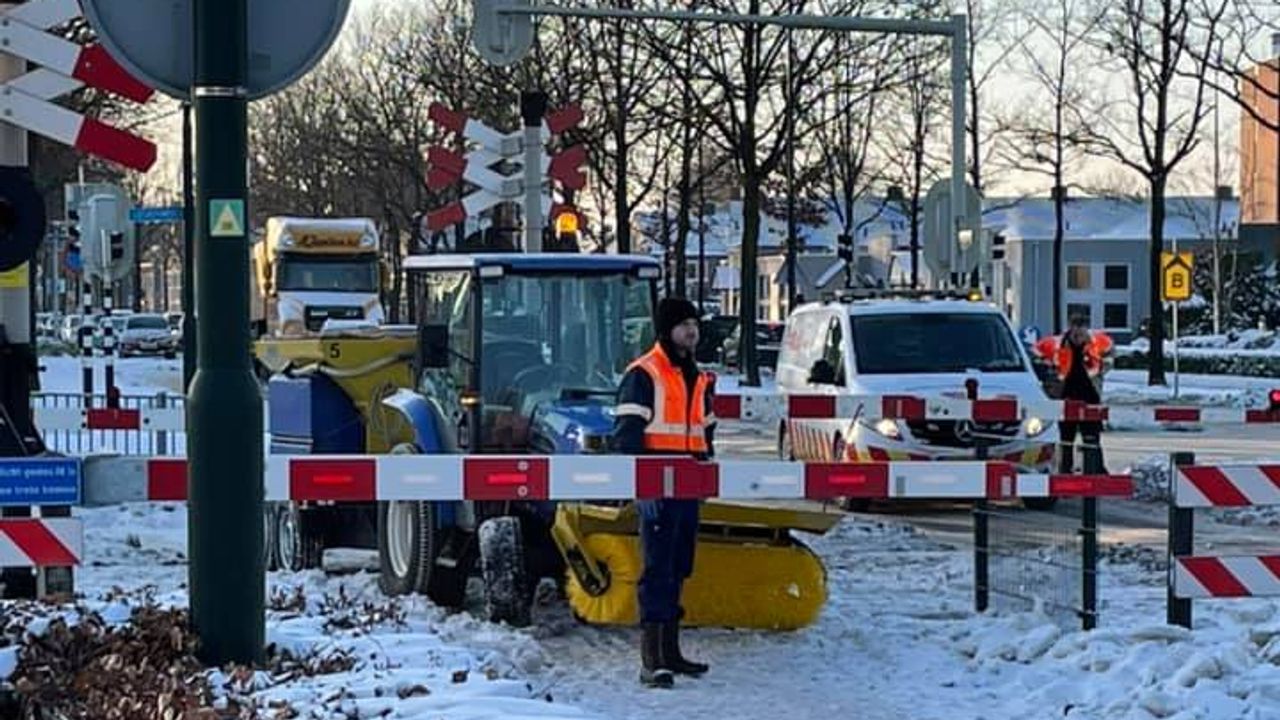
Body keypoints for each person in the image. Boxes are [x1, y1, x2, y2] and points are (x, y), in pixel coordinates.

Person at [611, 297, 715, 689]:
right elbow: (626, 437)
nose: (692, 331)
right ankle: (651, 660)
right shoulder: (644, 374)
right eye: (684, 324)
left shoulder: (699, 378)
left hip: (687, 488)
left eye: (694, 323)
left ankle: (671, 652)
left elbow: (705, 434)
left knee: (678, 567)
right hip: (659, 488)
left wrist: (705, 477)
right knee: (657, 571)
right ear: (666, 330)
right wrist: (641, 485)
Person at [1053, 316, 1113, 475]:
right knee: (1066, 440)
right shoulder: (1060, 344)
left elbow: (1109, 359)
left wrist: (1100, 366)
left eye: (1082, 328)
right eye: (1075, 328)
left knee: (1092, 438)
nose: (1078, 333)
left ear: (1087, 328)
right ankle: (1065, 472)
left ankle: (1097, 471)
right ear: (1070, 328)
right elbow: (1050, 362)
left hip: (1090, 397)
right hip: (1067, 397)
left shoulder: (1095, 345)